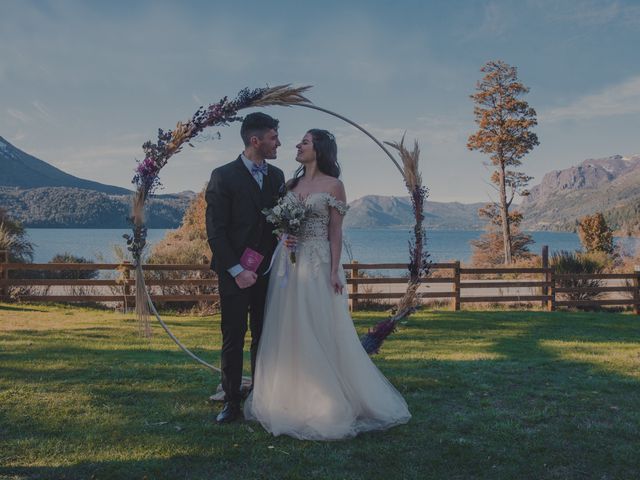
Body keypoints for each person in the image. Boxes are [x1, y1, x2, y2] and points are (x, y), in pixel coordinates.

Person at [244, 129, 411, 440]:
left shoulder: (334, 186)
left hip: (319, 261)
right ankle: (290, 395)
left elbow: (336, 232)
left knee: (319, 324)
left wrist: (335, 270)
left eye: (303, 141)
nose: (297, 144)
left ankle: (329, 398)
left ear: (318, 149)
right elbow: (277, 224)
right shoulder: (290, 185)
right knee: (287, 326)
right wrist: (283, 235)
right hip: (289, 263)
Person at [206, 112, 286, 424]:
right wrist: (238, 270)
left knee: (265, 335)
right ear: (255, 140)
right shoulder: (223, 176)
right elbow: (216, 231)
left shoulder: (278, 177)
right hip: (234, 273)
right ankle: (231, 402)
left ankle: (262, 397)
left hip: (268, 272)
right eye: (273, 137)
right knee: (233, 336)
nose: (278, 142)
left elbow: (279, 223)